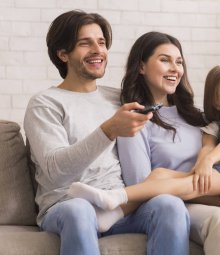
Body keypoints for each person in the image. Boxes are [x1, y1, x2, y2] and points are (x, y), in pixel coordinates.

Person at [81, 31, 220, 255]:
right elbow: (143, 186)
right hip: (180, 204)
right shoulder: (135, 121)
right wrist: (206, 191)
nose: (175, 68)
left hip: (218, 191)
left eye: (179, 62)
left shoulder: (197, 116)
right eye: (164, 60)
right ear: (141, 67)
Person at [23, 10, 191, 255]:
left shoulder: (118, 98)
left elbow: (174, 120)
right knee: (79, 210)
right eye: (85, 43)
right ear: (63, 54)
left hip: (121, 207)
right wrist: (109, 130)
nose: (97, 50)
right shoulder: (45, 103)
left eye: (101, 42)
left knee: (170, 205)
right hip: (66, 205)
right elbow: (55, 171)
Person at [69, 63, 220, 211]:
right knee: (159, 175)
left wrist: (209, 161)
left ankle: (116, 197)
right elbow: (206, 147)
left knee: (185, 185)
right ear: (217, 104)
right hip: (219, 184)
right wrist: (200, 166)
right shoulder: (215, 125)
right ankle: (115, 215)